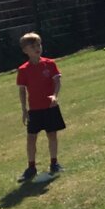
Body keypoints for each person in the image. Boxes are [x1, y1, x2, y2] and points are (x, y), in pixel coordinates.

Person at [15, 32, 65, 182]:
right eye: (33, 46)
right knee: (31, 138)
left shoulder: (50, 63)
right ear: (25, 50)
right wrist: (24, 109)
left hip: (50, 108)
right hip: (34, 110)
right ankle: (31, 168)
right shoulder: (23, 69)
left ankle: (54, 163)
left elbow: (57, 81)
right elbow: (22, 90)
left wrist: (55, 95)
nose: (37, 48)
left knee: (52, 135)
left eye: (38, 45)